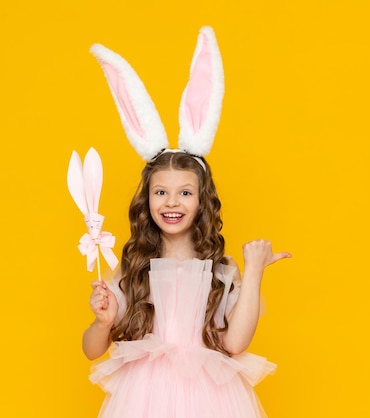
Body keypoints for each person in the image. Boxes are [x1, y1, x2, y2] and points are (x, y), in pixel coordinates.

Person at [81, 27, 290, 417]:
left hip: (212, 399)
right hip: (143, 398)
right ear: (147, 200)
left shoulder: (221, 269)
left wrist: (255, 270)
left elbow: (236, 343)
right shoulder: (132, 268)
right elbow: (93, 349)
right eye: (160, 192)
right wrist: (102, 321)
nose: (172, 202)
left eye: (185, 193)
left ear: (202, 200)